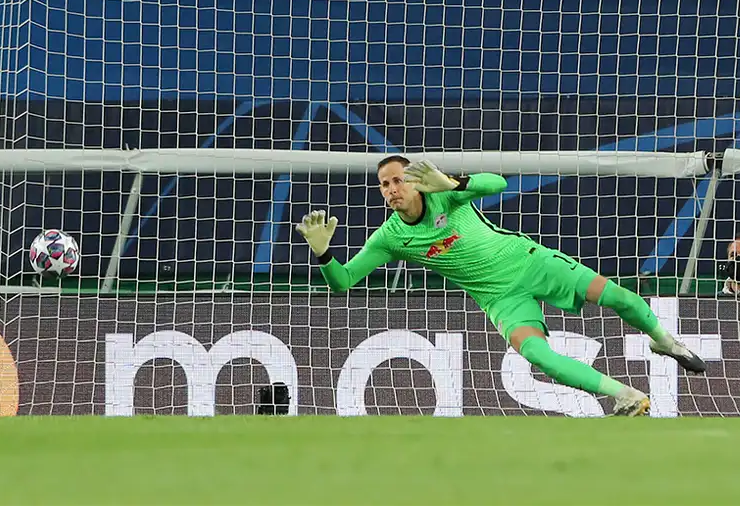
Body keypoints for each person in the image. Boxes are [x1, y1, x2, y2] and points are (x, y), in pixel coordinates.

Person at [295, 155, 707, 417]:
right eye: (384, 185)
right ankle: (626, 396)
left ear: (414, 181)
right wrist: (323, 255)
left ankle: (664, 340)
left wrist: (455, 183)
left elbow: (498, 184)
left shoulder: (445, 196)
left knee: (619, 297)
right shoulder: (389, 237)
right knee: (539, 357)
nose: (391, 190)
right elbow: (343, 282)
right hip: (499, 299)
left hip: (530, 263)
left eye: (397, 180)